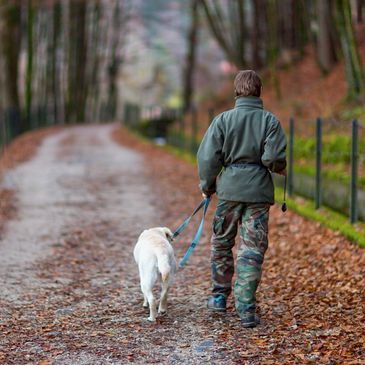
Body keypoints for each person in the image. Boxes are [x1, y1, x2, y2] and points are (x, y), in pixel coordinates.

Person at [197, 70, 287, 328]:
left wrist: (207, 186)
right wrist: (279, 165)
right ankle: (246, 308)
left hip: (229, 192)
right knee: (252, 249)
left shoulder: (223, 120)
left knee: (222, 243)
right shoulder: (270, 121)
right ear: (259, 91)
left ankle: (218, 298)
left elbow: (207, 158)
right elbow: (272, 158)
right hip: (258, 194)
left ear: (236, 91)